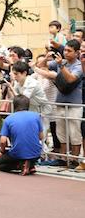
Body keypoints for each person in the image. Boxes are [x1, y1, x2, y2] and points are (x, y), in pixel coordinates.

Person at [46, 39, 83, 167]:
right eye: (65, 50)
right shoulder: (61, 61)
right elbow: (43, 65)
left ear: (77, 52)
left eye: (69, 51)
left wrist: (61, 65)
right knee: (61, 132)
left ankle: (74, 160)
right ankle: (62, 159)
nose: (66, 53)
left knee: (74, 133)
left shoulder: (79, 65)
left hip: (74, 104)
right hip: (60, 103)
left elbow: (71, 79)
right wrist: (46, 57)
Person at [0, 95, 43, 176]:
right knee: (29, 153)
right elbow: (41, 137)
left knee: (2, 165)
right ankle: (30, 165)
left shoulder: (9, 119)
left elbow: (2, 141)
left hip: (17, 153)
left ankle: (21, 166)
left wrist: (3, 151)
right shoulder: (36, 116)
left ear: (14, 105)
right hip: (36, 153)